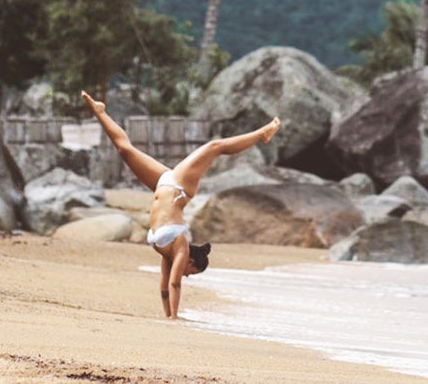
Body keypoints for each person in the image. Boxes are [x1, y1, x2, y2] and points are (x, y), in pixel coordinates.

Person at [81, 91, 280, 319]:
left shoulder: (168, 253)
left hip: (162, 183)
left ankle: (100, 112)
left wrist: (168, 316)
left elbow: (165, 287)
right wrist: (175, 318)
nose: (186, 275)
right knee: (214, 147)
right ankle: (262, 134)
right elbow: (176, 284)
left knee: (124, 150)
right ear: (192, 261)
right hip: (179, 185)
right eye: (191, 273)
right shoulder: (181, 247)